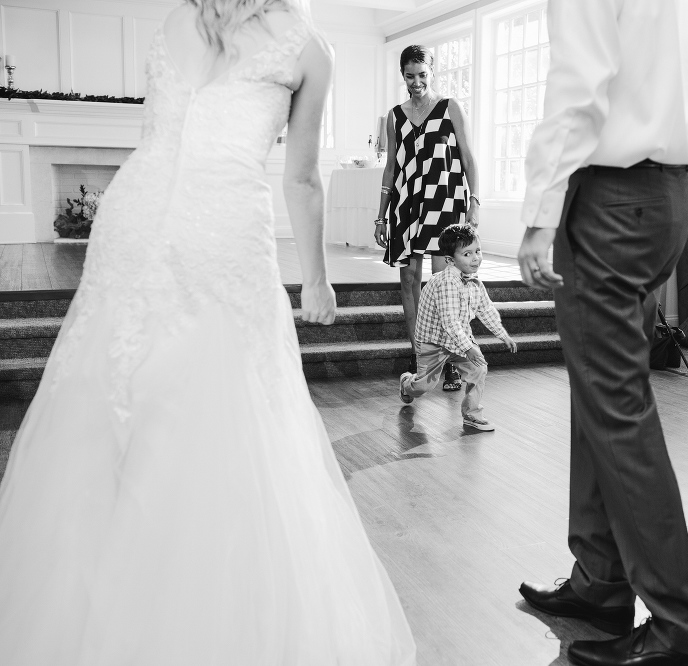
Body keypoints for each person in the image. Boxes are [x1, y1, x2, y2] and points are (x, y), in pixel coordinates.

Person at [0, 2, 416, 664]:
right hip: (220, 233)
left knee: (117, 394)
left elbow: (152, 138)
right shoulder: (309, 48)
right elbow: (302, 177)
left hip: (133, 217)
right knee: (223, 411)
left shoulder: (170, 24)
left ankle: (101, 600)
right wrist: (316, 278)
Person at [516, 2, 688, 665]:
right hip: (663, 194)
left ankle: (683, 628)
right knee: (598, 397)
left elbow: (579, 81)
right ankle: (600, 581)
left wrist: (540, 213)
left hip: (610, 197)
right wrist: (675, 196)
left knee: (616, 409)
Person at [375, 45, 480, 393]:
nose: (416, 81)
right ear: (402, 76)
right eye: (410, 75)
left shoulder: (450, 108)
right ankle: (420, 356)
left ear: (432, 72)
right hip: (406, 206)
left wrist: (474, 203)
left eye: (422, 74)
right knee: (409, 280)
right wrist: (381, 217)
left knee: (443, 287)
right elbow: (391, 167)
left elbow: (468, 159)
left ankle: (449, 362)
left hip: (445, 203)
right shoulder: (394, 116)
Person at [399, 224, 516, 431]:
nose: (475, 258)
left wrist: (502, 334)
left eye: (477, 251)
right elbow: (450, 323)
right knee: (424, 386)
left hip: (459, 338)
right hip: (433, 341)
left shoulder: (473, 282)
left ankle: (472, 414)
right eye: (467, 254)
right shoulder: (447, 284)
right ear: (450, 260)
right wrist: (469, 348)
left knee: (479, 369)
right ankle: (407, 383)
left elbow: (485, 309)